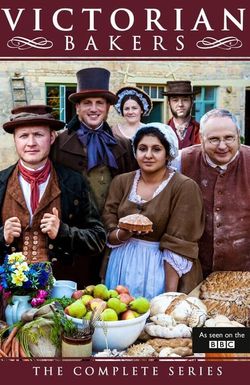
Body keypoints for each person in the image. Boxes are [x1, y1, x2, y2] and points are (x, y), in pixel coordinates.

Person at [0, 105, 106, 288]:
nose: (31, 142)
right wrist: (2, 236)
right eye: (24, 136)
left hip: (60, 292)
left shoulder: (73, 182)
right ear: (15, 140)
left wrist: (64, 232)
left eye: (38, 135)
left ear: (52, 137)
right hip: (8, 294)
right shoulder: (1, 182)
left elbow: (97, 239)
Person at [51, 67, 136, 283]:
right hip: (73, 238)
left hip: (112, 236)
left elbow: (131, 189)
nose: (94, 109)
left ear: (108, 107)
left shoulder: (124, 146)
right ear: (77, 107)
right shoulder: (58, 144)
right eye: (87, 103)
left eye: (99, 103)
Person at [102, 123, 205, 299]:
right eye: (142, 149)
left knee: (155, 319)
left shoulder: (184, 187)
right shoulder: (121, 182)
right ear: (135, 152)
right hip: (122, 261)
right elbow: (108, 219)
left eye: (156, 149)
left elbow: (179, 243)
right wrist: (122, 234)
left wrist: (169, 296)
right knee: (119, 312)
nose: (148, 155)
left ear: (168, 153)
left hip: (161, 268)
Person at [172, 108, 250, 278]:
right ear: (201, 139)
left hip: (244, 274)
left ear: (238, 135)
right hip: (194, 271)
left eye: (229, 138)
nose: (222, 146)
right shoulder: (180, 162)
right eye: (214, 139)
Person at [163, 80, 200, 149]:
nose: (180, 104)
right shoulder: (162, 132)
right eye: (175, 100)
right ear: (169, 103)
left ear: (192, 102)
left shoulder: (201, 131)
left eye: (185, 100)